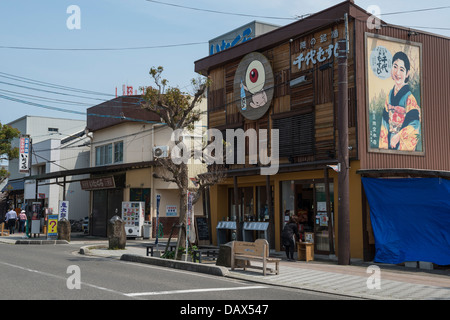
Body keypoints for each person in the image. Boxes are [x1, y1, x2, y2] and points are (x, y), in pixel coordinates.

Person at [379, 51, 421, 151]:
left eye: (402, 69)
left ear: (407, 74)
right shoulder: (389, 94)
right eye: (395, 66)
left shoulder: (410, 98)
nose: (397, 73)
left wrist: (398, 136)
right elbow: (384, 122)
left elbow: (415, 124)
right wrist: (384, 147)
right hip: (390, 140)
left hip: (402, 141)